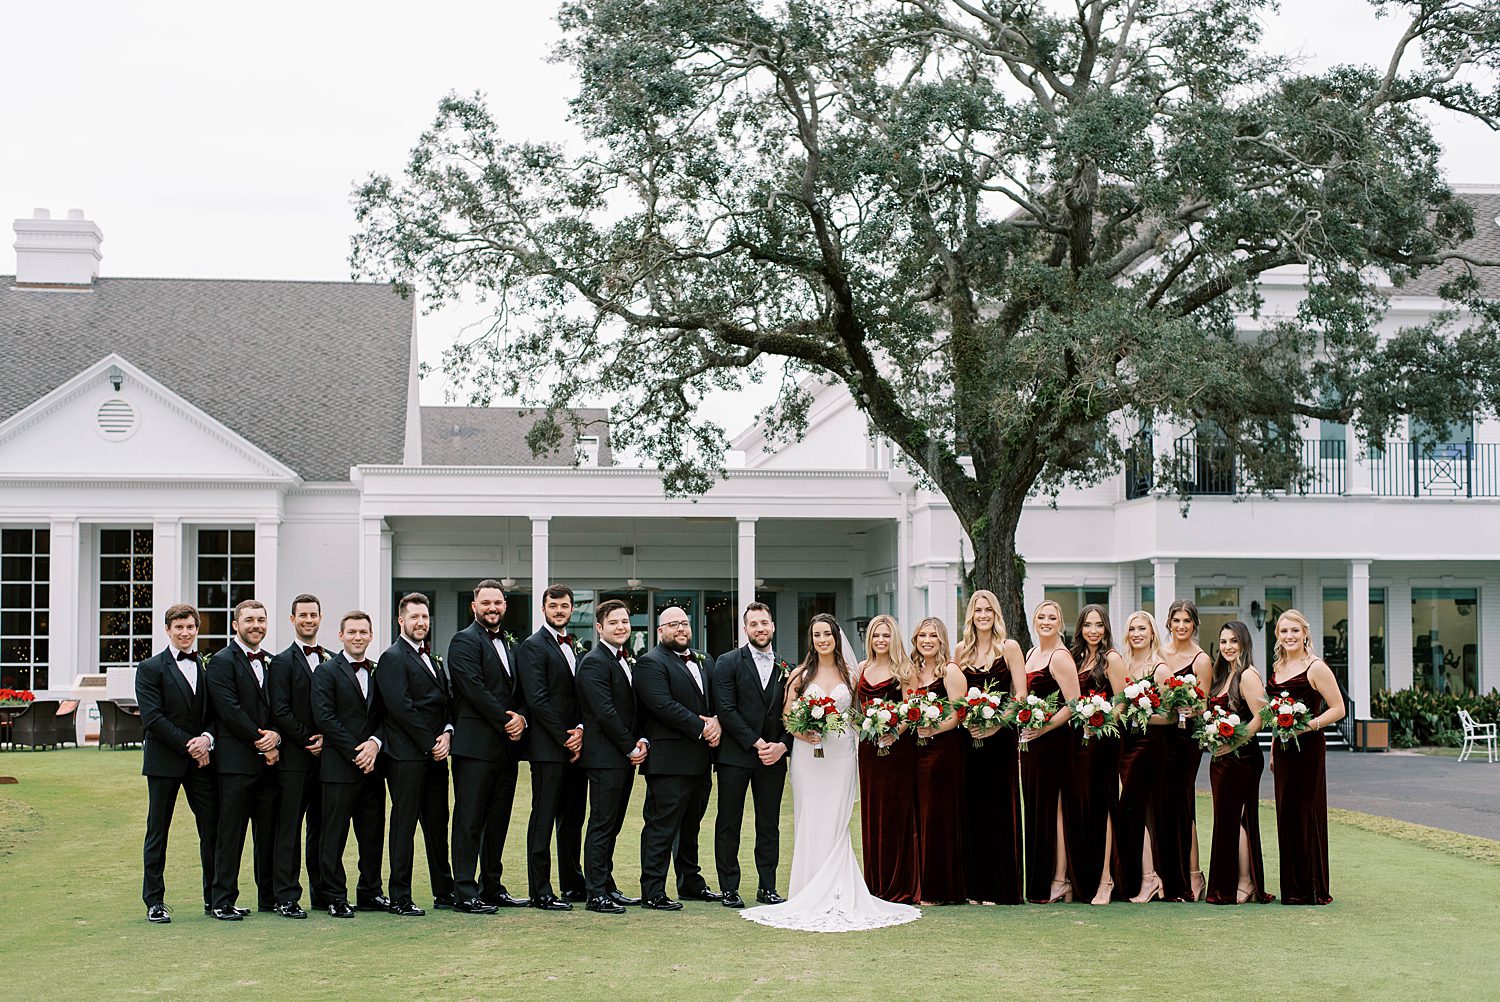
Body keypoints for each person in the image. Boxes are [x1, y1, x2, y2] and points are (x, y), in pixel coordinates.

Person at [742, 613, 921, 932]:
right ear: (810, 640)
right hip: (808, 755)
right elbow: (787, 716)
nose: (822, 639)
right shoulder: (799, 674)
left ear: (836, 638)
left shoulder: (852, 674)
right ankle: (808, 886)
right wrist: (803, 732)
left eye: (828, 634)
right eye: (817, 635)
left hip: (840, 752)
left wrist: (884, 728)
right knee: (810, 815)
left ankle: (840, 887)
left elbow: (859, 714)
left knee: (837, 820)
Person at [446, 579, 529, 913]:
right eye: (486, 603)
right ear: (474, 606)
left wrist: (522, 717)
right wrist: (507, 720)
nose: (492, 608)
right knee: (469, 820)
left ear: (505, 606)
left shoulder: (511, 645)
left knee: (498, 819)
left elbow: (519, 690)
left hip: (506, 750)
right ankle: (465, 891)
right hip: (475, 747)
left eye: (498, 603)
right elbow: (473, 688)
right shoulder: (463, 641)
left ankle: (491, 885)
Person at [634, 606, 721, 909]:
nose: (681, 629)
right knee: (661, 826)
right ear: (660, 631)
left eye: (685, 623)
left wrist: (718, 721)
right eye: (673, 624)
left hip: (701, 761)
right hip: (668, 761)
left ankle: (690, 882)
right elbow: (662, 704)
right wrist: (703, 727)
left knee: (691, 825)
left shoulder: (705, 660)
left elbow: (717, 699)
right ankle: (653, 890)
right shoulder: (650, 662)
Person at [136, 603, 218, 924]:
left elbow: (215, 712)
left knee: (212, 829)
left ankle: (215, 898)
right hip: (164, 762)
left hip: (202, 762)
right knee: (158, 831)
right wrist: (191, 746)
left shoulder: (207, 666)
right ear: (167, 630)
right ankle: (154, 901)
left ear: (197, 629)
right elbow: (152, 718)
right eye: (179, 627)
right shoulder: (150, 668)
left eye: (190, 627)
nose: (185, 633)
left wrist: (207, 739)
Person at [376, 592, 456, 916]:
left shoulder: (433, 659)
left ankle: (444, 891)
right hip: (406, 755)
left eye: (425, 617)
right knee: (404, 825)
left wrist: (448, 733)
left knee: (438, 825)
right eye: (414, 617)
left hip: (436, 754)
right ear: (401, 620)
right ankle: (400, 896)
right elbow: (401, 708)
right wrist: (430, 742)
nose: (421, 623)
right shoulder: (392, 657)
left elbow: (447, 701)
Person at [205, 599, 281, 920]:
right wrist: (263, 741)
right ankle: (222, 901)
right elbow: (229, 710)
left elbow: (280, 705)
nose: (256, 625)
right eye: (249, 620)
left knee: (268, 835)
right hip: (235, 764)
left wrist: (276, 733)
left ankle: (269, 897)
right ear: (236, 625)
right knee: (231, 834)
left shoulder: (272, 662)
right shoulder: (222, 661)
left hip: (269, 766)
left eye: (261, 620)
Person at [712, 602, 791, 909]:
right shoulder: (727, 662)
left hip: (773, 759)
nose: (760, 628)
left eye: (764, 623)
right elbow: (726, 711)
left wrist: (781, 745)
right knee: (729, 822)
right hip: (736, 756)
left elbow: (793, 714)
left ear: (773, 626)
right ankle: (729, 888)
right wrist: (759, 744)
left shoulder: (788, 667)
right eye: (754, 624)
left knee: (769, 823)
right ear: (745, 629)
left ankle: (767, 887)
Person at [311, 611, 388, 918]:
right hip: (340, 767)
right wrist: (358, 752)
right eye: (352, 632)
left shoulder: (379, 671)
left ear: (371, 636)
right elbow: (324, 717)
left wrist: (375, 744)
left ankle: (370, 892)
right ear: (341, 636)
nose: (358, 637)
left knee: (372, 834)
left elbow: (386, 716)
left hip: (373, 768)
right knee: (334, 834)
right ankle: (334, 895)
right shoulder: (326, 672)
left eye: (363, 632)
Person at [952, 590, 1027, 905]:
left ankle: (1001, 888)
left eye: (988, 610)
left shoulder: (1009, 648)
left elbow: (1020, 695)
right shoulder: (960, 651)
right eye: (977, 610)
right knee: (973, 809)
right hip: (970, 740)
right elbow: (955, 696)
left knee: (999, 809)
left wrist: (998, 723)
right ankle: (974, 888)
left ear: (996, 614)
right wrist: (966, 719)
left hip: (1001, 740)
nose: (983, 615)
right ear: (971, 615)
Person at [575, 599, 649, 914]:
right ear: (600, 627)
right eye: (614, 622)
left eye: (624, 622)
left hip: (620, 757)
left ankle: (606, 884)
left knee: (614, 824)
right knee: (602, 823)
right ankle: (595, 893)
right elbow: (604, 712)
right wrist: (630, 746)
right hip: (605, 756)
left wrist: (640, 739)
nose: (621, 627)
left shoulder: (624, 659)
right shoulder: (594, 661)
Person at [516, 583, 588, 910]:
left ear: (571, 609)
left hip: (576, 748)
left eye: (564, 606)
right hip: (548, 748)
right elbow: (538, 699)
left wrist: (581, 732)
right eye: (553, 605)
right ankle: (540, 891)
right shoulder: (533, 646)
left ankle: (573, 884)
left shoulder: (574, 646)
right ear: (543, 608)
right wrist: (565, 737)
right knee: (543, 818)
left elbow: (579, 697)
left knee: (573, 819)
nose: (559, 610)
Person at [1269, 609, 1345, 905]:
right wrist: (1276, 748)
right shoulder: (1277, 667)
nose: (1289, 636)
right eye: (1284, 631)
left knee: (1305, 813)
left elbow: (1338, 708)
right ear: (1278, 635)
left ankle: (1311, 887)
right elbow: (1275, 715)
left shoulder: (1316, 667)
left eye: (1294, 631)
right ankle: (1292, 888)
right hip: (1285, 749)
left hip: (1309, 749)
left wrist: (1307, 727)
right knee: (1286, 814)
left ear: (1305, 634)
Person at [267, 593, 329, 919]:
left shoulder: (332, 659)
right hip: (293, 761)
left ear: (321, 618)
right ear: (292, 619)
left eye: (313, 614)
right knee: (289, 828)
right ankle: (286, 896)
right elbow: (279, 710)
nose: (308, 620)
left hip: (327, 762)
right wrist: (308, 739)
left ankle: (321, 893)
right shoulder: (280, 663)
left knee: (321, 829)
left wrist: (327, 740)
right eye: (302, 615)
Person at [1205, 621, 1274, 904]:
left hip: (1242, 758)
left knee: (1240, 818)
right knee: (1226, 820)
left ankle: (1246, 883)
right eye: (1223, 642)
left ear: (1244, 643)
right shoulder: (1223, 675)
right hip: (1221, 760)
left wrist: (1233, 742)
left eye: (1233, 641)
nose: (1228, 647)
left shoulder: (1247, 675)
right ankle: (1232, 881)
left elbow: (1263, 715)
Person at [854, 614, 920, 904]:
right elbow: (855, 709)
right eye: (876, 635)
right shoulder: (861, 668)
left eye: (886, 635)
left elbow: (912, 707)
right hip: (869, 749)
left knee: (896, 812)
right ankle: (875, 883)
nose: (881, 640)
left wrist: (895, 731)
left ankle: (897, 884)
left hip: (897, 750)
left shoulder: (905, 669)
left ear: (894, 638)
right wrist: (865, 727)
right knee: (872, 811)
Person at [1020, 600, 1081, 903]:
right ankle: (1042, 880)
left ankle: (1060, 879)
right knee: (1037, 809)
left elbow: (1073, 705)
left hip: (1054, 741)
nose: (1046, 621)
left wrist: (1041, 729)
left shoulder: (1060, 657)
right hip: (1032, 743)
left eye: (1052, 617)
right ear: (1034, 621)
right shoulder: (1031, 654)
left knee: (1054, 809)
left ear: (1060, 624)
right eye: (1041, 617)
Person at [1068, 604, 1127, 906]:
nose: (1093, 631)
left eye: (1099, 625)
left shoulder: (1112, 659)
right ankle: (1083, 878)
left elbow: (1122, 702)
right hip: (1077, 743)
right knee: (1082, 806)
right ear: (1080, 629)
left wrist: (1100, 719)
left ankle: (1106, 878)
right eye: (1088, 625)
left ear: (1106, 629)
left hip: (1103, 742)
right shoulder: (1075, 657)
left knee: (1102, 804)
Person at [909, 616, 969, 905]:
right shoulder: (912, 671)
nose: (927, 641)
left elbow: (959, 713)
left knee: (939, 817)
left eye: (933, 635)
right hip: (917, 751)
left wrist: (934, 728)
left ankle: (941, 888)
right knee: (921, 816)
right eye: (922, 636)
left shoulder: (951, 671)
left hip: (944, 750)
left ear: (942, 639)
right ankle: (920, 884)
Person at [1155, 599, 1212, 901]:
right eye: (1176, 620)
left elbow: (1204, 703)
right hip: (1160, 735)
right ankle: (1163, 875)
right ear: (1168, 623)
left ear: (1194, 624)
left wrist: (1193, 709)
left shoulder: (1200, 659)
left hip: (1187, 739)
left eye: (1186, 621)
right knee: (1162, 803)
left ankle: (1192, 875)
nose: (1181, 626)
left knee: (1182, 802)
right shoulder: (1159, 654)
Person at [1117, 611, 1169, 903]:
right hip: (1126, 745)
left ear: (1152, 633)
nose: (1137, 633)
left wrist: (1143, 716)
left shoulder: (1159, 668)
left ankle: (1150, 878)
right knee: (1138, 811)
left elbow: (1173, 715)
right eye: (1132, 628)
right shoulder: (1124, 665)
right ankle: (1148, 877)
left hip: (1148, 746)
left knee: (1136, 810)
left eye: (1142, 628)